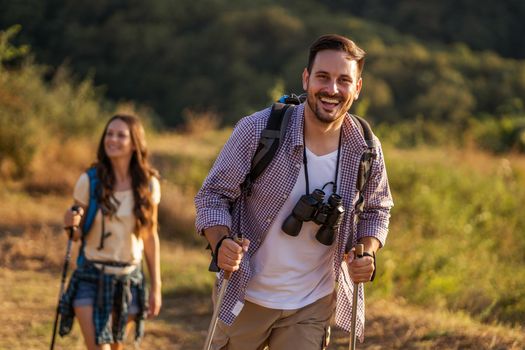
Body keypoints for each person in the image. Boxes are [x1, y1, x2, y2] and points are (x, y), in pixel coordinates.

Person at [195, 34, 393, 349]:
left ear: (357, 88)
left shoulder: (366, 147)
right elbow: (212, 196)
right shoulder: (258, 130)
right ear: (306, 78)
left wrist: (367, 250)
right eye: (323, 77)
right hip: (248, 293)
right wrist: (221, 243)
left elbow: (377, 208)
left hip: (312, 303)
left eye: (344, 80)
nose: (332, 90)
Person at [59, 114, 162, 350]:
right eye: (109, 133)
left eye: (120, 135)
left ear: (135, 143)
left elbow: (149, 236)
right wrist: (69, 224)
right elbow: (76, 236)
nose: (112, 139)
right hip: (90, 276)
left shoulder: (148, 184)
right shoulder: (89, 180)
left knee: (116, 347)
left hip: (128, 280)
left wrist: (156, 287)